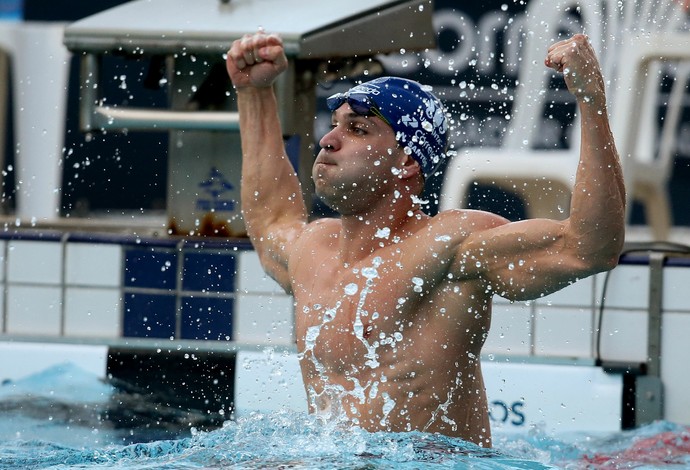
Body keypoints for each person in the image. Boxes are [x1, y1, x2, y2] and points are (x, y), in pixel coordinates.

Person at [225, 31, 625, 447]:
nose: (328, 140)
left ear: (407, 162)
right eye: (333, 127)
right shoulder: (313, 249)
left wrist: (591, 101)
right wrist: (254, 95)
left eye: (358, 129)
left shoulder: (449, 247)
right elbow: (271, 218)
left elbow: (588, 249)